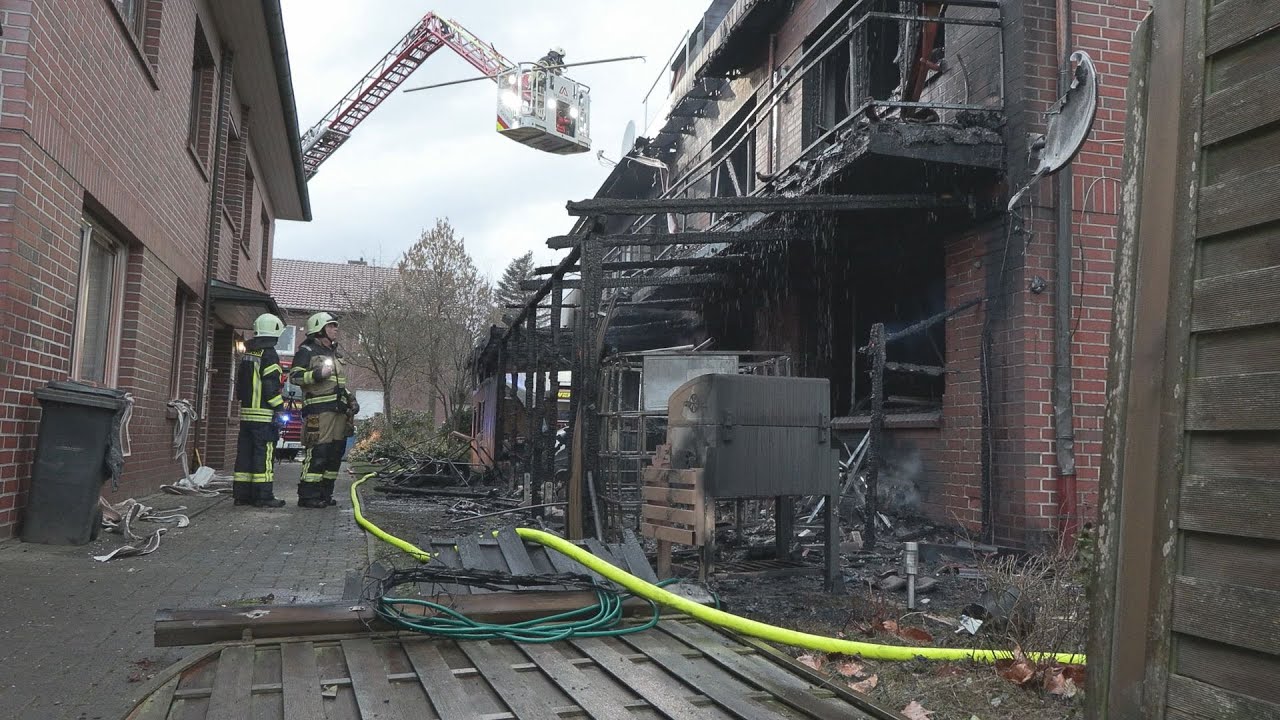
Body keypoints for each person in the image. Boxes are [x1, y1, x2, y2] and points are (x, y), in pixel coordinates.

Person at [290, 311, 359, 509]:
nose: (335, 329)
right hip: (318, 412)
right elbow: (294, 377)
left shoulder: (334, 353)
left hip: (339, 411)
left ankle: (324, 494)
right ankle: (308, 496)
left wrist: (351, 399)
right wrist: (317, 373)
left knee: (334, 453)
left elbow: (339, 384)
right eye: (331, 326)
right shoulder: (307, 351)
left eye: (335, 326)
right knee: (318, 451)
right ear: (319, 329)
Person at [232, 313, 288, 508]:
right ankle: (263, 496)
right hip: (263, 416)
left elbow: (240, 383)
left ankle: (242, 495)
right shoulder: (269, 354)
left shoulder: (248, 353)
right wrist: (279, 408)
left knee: (245, 455)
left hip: (246, 414)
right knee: (263, 456)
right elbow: (270, 386)